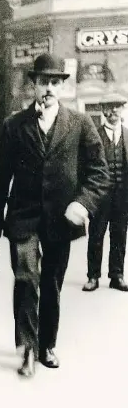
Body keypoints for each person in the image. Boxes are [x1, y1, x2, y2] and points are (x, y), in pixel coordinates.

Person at [0, 53, 110, 378]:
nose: (49, 88)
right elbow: (2, 177)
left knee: (51, 283)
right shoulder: (14, 125)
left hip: (61, 219)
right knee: (26, 279)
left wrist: (83, 203)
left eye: (55, 82)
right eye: (44, 82)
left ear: (62, 87)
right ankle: (26, 348)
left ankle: (46, 345)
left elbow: (99, 172)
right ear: (34, 85)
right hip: (22, 217)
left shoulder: (80, 124)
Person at [83, 93, 128, 292]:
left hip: (122, 197)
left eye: (118, 107)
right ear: (103, 111)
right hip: (100, 196)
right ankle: (93, 276)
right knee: (96, 235)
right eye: (110, 107)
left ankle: (117, 275)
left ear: (123, 110)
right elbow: (85, 167)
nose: (114, 111)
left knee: (119, 235)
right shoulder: (95, 135)